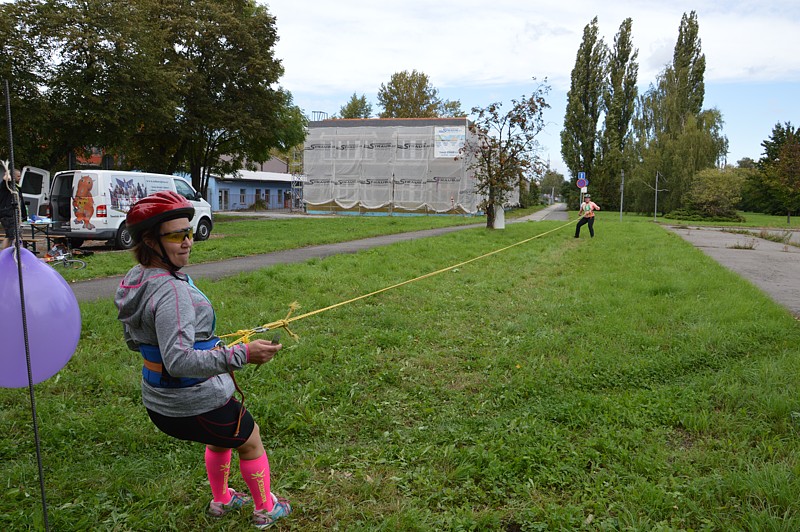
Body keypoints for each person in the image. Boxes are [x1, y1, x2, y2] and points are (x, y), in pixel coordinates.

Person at [114, 191, 291, 529]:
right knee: (250, 440)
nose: (188, 242)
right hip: (191, 401)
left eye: (189, 232)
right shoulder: (171, 290)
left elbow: (135, 342)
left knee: (220, 437)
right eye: (177, 235)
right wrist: (243, 354)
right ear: (151, 241)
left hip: (158, 402)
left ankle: (222, 500)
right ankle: (265, 508)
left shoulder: (135, 279)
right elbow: (179, 361)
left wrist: (202, 345)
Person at [1, 167, 27, 250]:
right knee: (14, 235)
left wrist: (23, 216)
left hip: (14, 214)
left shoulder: (16, 187)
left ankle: (6, 255)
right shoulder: (6, 186)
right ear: (13, 177)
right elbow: (5, 178)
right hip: (8, 215)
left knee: (11, 235)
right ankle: (8, 255)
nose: (20, 178)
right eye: (18, 176)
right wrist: (8, 174)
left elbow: (20, 202)